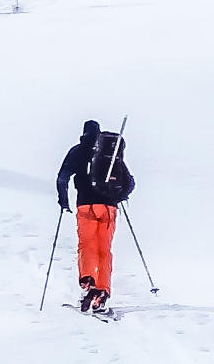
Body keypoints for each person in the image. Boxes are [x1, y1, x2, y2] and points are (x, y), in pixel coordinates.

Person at [56, 120, 135, 312]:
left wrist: (63, 201)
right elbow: (130, 182)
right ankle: (102, 291)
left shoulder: (78, 151)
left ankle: (88, 284)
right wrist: (118, 196)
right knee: (104, 250)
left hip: (86, 206)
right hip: (109, 208)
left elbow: (62, 178)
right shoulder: (109, 154)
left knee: (87, 245)